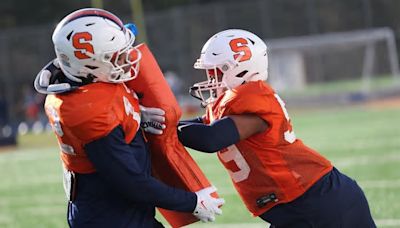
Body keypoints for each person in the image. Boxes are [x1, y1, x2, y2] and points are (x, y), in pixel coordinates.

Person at [34, 8, 224, 227]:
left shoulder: (87, 83)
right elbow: (131, 182)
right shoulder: (89, 111)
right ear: (89, 63)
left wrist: (135, 116)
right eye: (114, 56)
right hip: (110, 218)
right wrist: (191, 202)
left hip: (117, 211)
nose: (127, 58)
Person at [175, 29, 376, 228]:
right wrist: (165, 124)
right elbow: (202, 124)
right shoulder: (233, 102)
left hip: (320, 203)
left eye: (216, 72)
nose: (211, 80)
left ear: (238, 69)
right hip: (296, 207)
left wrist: (166, 129)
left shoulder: (253, 99)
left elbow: (211, 138)